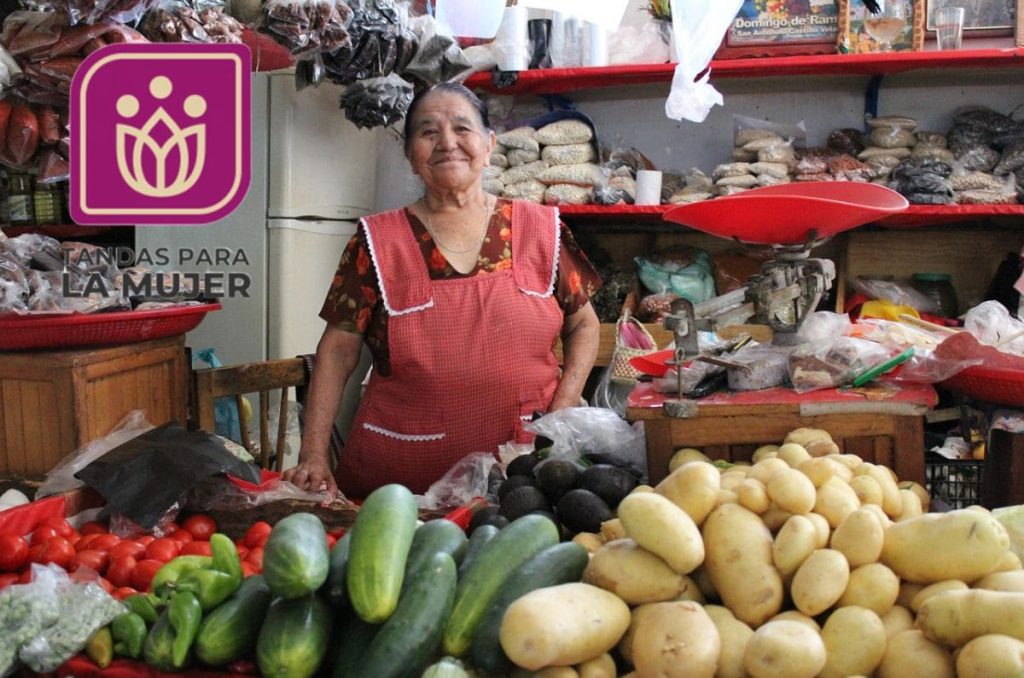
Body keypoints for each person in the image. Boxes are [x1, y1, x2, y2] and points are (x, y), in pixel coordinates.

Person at [283, 83, 602, 499]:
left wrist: (564, 404)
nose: (447, 143)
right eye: (428, 132)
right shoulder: (377, 242)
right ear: (410, 155)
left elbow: (584, 325)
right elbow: (338, 350)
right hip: (399, 485)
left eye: (461, 129)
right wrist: (312, 454)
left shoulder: (541, 229)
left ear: (488, 146)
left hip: (522, 473)